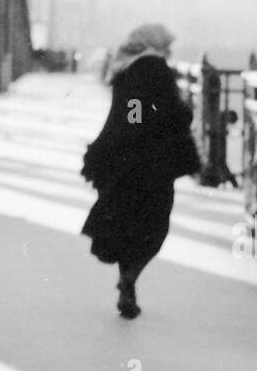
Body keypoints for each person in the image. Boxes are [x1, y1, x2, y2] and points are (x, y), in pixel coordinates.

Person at [81, 23, 200, 318]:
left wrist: (133, 125)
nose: (169, 50)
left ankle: (127, 278)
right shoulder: (154, 67)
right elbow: (164, 110)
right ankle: (130, 278)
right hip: (153, 161)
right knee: (156, 226)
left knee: (129, 224)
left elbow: (132, 109)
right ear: (154, 44)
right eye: (166, 44)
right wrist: (183, 112)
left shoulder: (125, 68)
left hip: (124, 156)